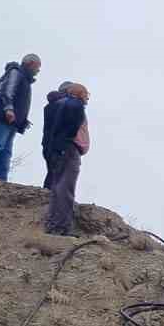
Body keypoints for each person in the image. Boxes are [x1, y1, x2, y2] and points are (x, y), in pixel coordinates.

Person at [0, 53, 42, 181]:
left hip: (12, 121)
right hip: (2, 117)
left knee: (6, 151)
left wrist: (23, 120)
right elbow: (6, 91)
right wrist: (8, 109)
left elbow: (19, 101)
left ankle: (1, 180)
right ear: (31, 63)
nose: (38, 71)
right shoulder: (16, 72)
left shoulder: (24, 78)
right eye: (37, 67)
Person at [44, 83, 90, 235]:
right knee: (66, 187)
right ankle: (62, 227)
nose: (87, 97)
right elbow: (71, 129)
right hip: (70, 149)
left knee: (57, 186)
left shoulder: (62, 104)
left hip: (59, 149)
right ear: (79, 93)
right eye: (86, 94)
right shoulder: (75, 105)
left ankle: (52, 224)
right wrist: (68, 143)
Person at [40, 81, 72, 187]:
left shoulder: (51, 105)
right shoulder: (63, 105)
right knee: (57, 173)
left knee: (54, 172)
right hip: (58, 145)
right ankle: (50, 195)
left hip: (50, 144)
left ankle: (48, 193)